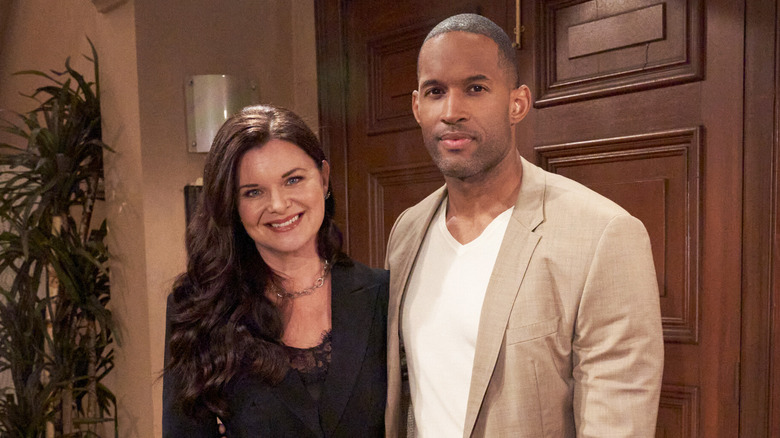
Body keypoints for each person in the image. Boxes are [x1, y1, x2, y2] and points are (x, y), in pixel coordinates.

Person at [384, 13, 664, 438]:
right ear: (417, 107)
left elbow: (617, 421)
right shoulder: (407, 231)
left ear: (517, 103)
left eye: (475, 88)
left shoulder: (603, 234)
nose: (452, 111)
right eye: (436, 91)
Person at [163, 105, 388, 437]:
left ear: (324, 178)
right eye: (253, 192)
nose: (279, 205)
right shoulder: (198, 307)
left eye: (293, 180)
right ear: (232, 205)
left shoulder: (382, 295)